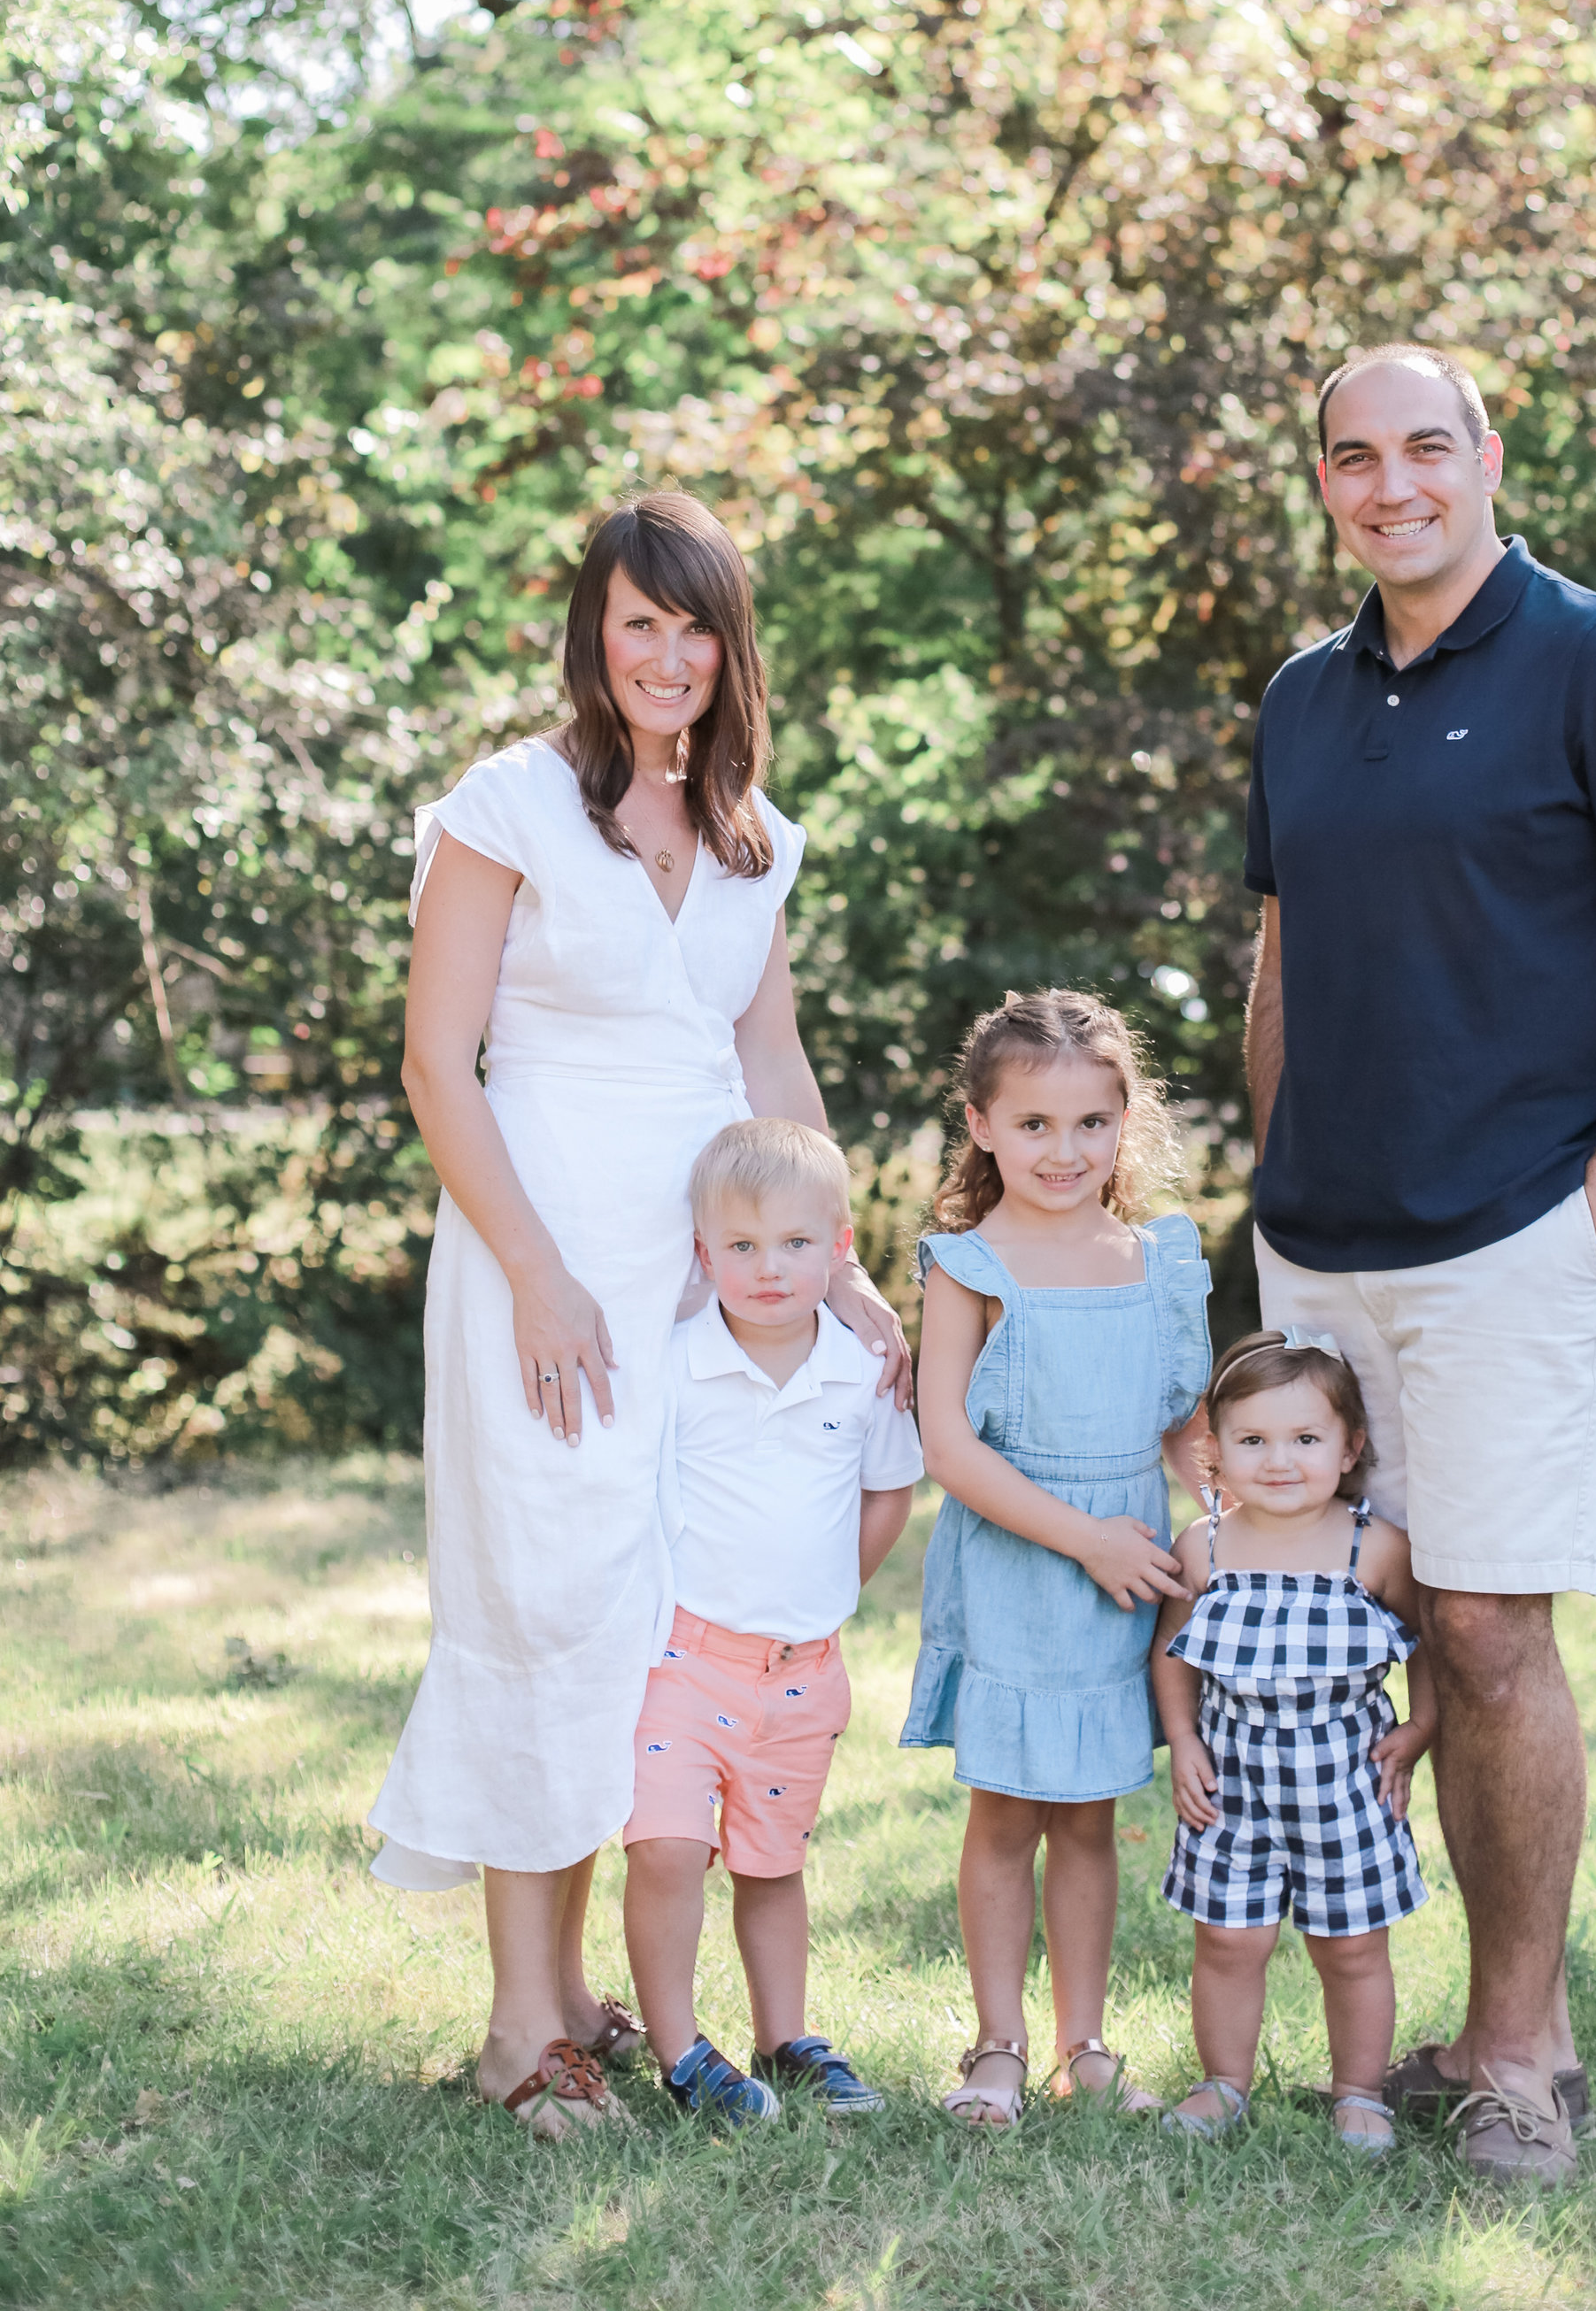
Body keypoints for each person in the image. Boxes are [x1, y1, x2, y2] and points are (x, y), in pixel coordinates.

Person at [1243, 343, 1596, 2183]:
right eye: (1348, 458)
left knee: (1479, 1626)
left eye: (1419, 449)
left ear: (1482, 457)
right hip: (1316, 1243)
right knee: (1323, 1639)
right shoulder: (1302, 696)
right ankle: (1373, 2038)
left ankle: (1521, 2048)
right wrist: (1267, 1159)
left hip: (1513, 1234)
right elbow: (1286, 952)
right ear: (1321, 482)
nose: (1388, 485)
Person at [366, 492, 909, 2142]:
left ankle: (596, 1990)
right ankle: (523, 2024)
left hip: (709, 1274)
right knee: (547, 1596)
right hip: (546, 1255)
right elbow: (435, 1061)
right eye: (639, 624)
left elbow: (771, 1064)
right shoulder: (511, 806)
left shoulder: (757, 833)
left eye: (698, 628)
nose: (669, 657)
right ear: (595, 635)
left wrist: (846, 1253)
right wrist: (537, 1267)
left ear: (732, 647)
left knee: (655, 1618)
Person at [900, 990, 1213, 2126]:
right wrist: (1080, 1538)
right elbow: (946, 1443)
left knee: (1087, 1816)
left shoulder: (1161, 1259)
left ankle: (1084, 2044)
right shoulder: (970, 1266)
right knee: (1006, 1812)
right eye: (1033, 1124)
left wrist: (1222, 1500)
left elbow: (1183, 1417)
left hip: (1128, 1568)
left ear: (1124, 1121)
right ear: (981, 1124)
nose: (1063, 1150)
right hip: (1025, 1566)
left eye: (1090, 1123)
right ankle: (996, 2044)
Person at [621, 1115, 921, 2126]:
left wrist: (835, 1589)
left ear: (838, 1250)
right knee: (665, 1848)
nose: (767, 1268)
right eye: (740, 1247)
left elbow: (888, 1493)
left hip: (803, 1672)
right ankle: (680, 2052)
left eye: (794, 1244)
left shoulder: (860, 1371)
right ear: (704, 1255)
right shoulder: (675, 1364)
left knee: (770, 1862)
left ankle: (783, 2035)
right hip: (683, 1658)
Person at [1153, 1330, 1436, 2152]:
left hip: (1347, 1782)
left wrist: (1418, 1731)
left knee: (1350, 1948)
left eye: (1306, 1439)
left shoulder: (1373, 1549)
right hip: (1233, 1779)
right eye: (1253, 1441)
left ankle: (1359, 2093)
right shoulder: (1204, 1549)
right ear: (1216, 1453)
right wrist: (1184, 1740)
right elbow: (1170, 1654)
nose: (1279, 1461)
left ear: (1350, 1449)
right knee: (1230, 1940)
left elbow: (1432, 1649)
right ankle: (1222, 2085)